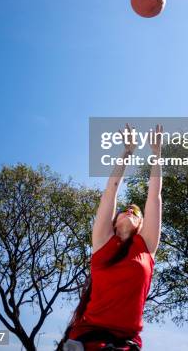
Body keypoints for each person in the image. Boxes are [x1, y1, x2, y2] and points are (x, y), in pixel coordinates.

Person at [58, 124, 163, 351]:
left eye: (136, 212)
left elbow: (154, 197)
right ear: (114, 222)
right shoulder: (103, 242)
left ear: (141, 225)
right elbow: (110, 192)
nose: (129, 211)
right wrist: (127, 151)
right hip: (88, 337)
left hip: (126, 342)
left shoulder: (145, 248)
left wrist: (156, 154)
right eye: (125, 209)